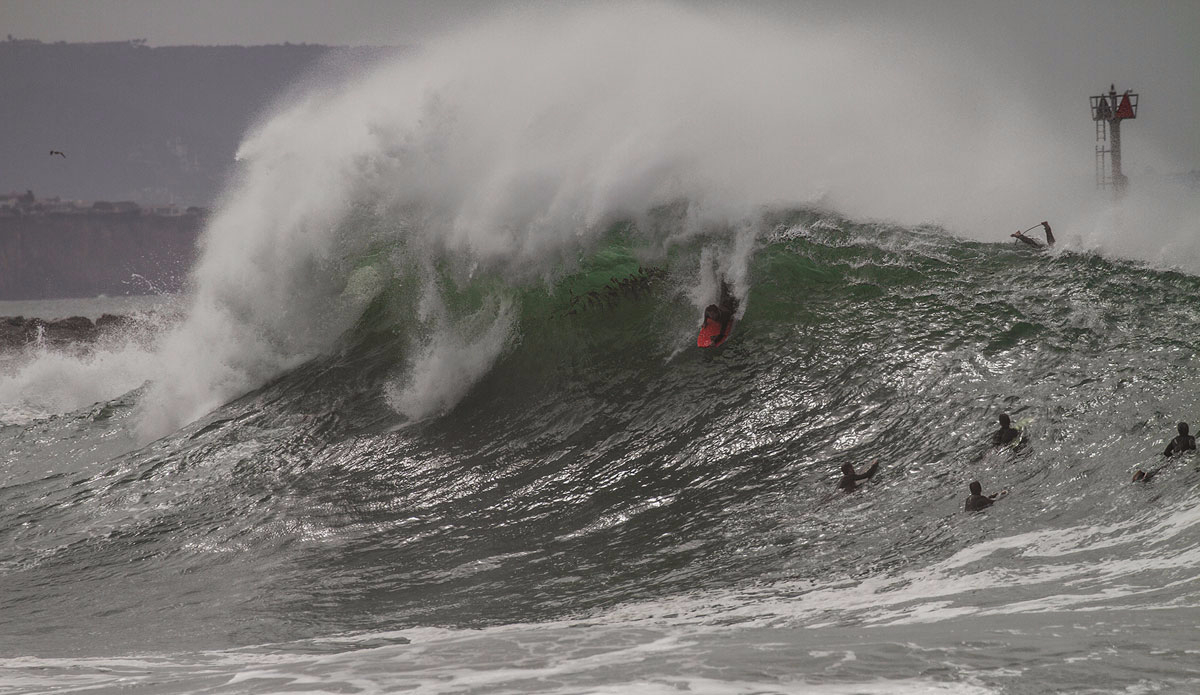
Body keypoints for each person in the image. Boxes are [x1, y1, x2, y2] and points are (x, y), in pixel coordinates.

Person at [701, 279, 738, 347]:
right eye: (711, 314)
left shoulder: (724, 317)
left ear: (717, 312)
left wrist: (715, 341)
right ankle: (724, 278)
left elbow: (722, 333)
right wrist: (705, 322)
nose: (711, 316)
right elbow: (706, 312)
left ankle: (734, 282)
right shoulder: (709, 312)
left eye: (713, 314)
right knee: (723, 289)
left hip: (730, 307)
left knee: (733, 296)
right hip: (723, 303)